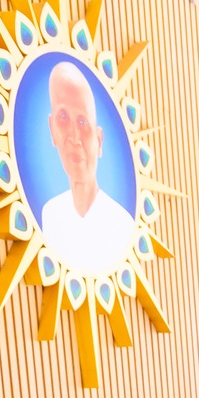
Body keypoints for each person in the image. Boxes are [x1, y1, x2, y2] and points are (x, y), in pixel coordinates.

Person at [37, 60, 138, 278]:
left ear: (99, 141)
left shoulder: (122, 227)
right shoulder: (51, 215)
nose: (74, 137)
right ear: (52, 129)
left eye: (83, 123)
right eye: (63, 118)